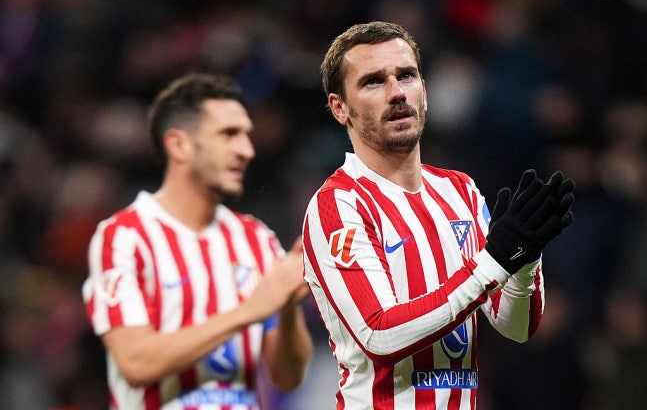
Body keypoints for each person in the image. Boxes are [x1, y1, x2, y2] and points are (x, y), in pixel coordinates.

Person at [301, 21, 574, 409]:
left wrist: (525, 257)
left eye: (406, 75)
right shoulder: (339, 205)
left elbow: (515, 327)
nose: (397, 92)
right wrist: (494, 261)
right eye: (373, 81)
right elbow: (379, 335)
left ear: (424, 91)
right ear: (339, 107)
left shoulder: (460, 190)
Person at [82, 72, 313, 409]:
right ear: (179, 145)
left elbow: (288, 378)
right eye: (229, 134)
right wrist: (248, 312)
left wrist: (287, 305)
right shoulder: (125, 236)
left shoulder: (257, 239)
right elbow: (135, 363)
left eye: (247, 135)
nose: (247, 150)